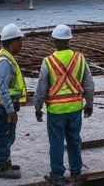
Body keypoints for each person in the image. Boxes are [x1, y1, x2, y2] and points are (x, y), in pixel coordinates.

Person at [33, 24, 95, 185]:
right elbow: (89, 84)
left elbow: (41, 88)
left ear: (54, 41)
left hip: (56, 111)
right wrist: (89, 104)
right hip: (75, 108)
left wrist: (38, 108)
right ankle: (76, 173)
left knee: (56, 144)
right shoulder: (80, 58)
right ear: (69, 40)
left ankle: (57, 175)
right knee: (74, 141)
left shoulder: (48, 62)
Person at [0, 23, 26, 180]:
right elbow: (2, 88)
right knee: (5, 134)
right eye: (20, 41)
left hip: (4, 104)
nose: (21, 44)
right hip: (3, 105)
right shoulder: (4, 61)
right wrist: (10, 110)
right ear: (12, 42)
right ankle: (2, 166)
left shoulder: (6, 57)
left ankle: (2, 161)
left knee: (4, 133)